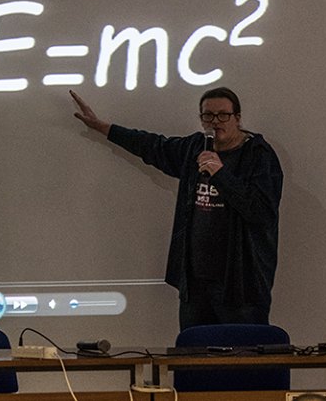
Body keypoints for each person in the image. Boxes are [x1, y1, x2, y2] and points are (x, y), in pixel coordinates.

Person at [69, 87, 283, 330]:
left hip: (240, 286)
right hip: (196, 284)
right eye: (208, 116)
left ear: (238, 118)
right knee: (193, 349)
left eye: (223, 115)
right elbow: (152, 146)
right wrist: (102, 127)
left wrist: (220, 173)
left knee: (244, 351)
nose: (215, 122)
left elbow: (262, 212)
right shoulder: (195, 148)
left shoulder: (259, 155)